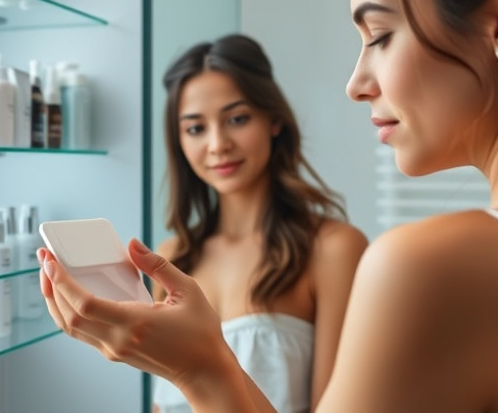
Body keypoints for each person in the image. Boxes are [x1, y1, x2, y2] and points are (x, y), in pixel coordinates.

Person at [38, 0, 498, 411]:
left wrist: (199, 366)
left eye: (379, 34)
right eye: (194, 127)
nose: (355, 83)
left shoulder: (427, 268)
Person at [151, 34, 368, 413]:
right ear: (179, 142)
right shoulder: (170, 259)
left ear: (274, 121)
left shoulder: (332, 248)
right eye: (196, 128)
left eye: (237, 119)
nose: (218, 144)